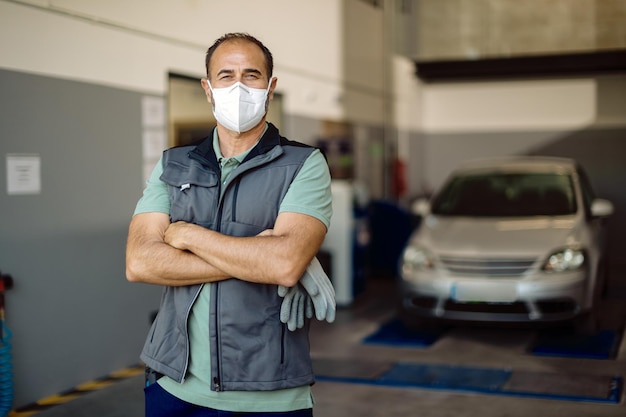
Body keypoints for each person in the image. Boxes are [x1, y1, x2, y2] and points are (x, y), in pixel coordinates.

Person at [125, 32, 335, 417]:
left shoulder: (303, 164)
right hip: (173, 385)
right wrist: (257, 258)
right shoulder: (174, 164)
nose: (238, 86)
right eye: (225, 75)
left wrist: (187, 235)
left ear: (271, 88)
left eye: (251, 75)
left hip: (267, 392)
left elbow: (283, 263)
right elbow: (140, 262)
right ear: (207, 88)